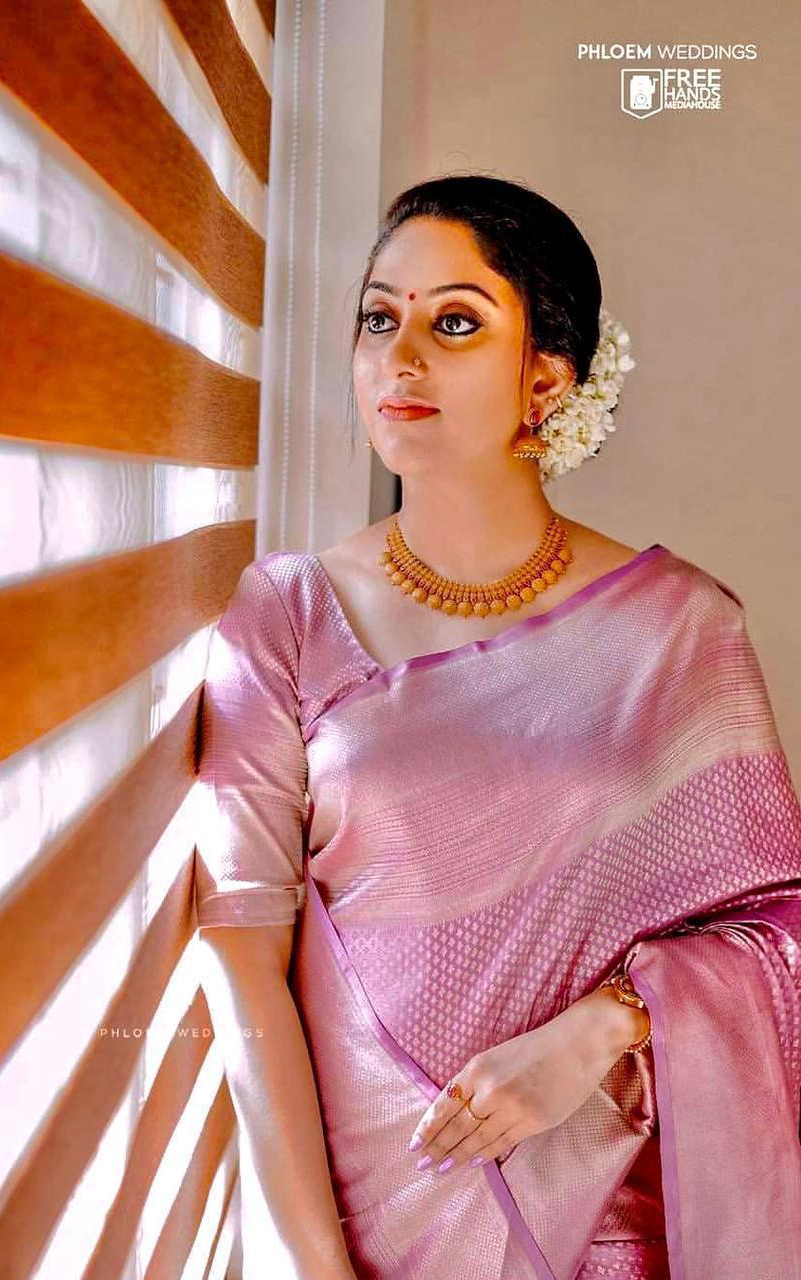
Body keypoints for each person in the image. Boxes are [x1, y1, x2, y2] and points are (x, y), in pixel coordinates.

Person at [192, 175, 801, 1280]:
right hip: (370, 1220)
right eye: (380, 318)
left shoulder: (678, 629)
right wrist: (312, 1265)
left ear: (546, 376)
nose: (400, 357)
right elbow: (241, 955)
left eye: (455, 322)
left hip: (606, 1217)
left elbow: (780, 931)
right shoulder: (284, 617)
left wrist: (601, 1029)